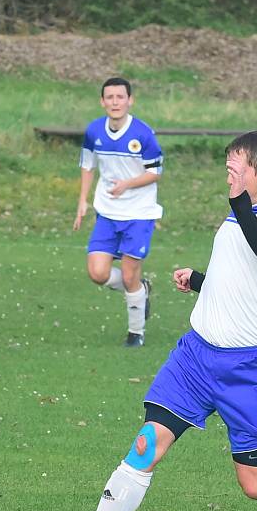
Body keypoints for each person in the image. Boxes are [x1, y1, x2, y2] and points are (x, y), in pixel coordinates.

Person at [49, 131, 257, 511]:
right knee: (147, 444)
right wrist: (201, 281)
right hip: (195, 357)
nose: (228, 177)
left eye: (234, 170)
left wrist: (240, 205)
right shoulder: (240, 211)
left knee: (255, 484)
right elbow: (242, 275)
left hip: (248, 367)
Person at [73, 77, 164, 347]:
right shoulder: (94, 131)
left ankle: (136, 333)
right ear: (102, 102)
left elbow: (155, 172)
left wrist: (127, 184)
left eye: (120, 97)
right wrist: (83, 200)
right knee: (97, 273)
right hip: (107, 212)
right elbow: (88, 165)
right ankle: (140, 289)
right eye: (109, 97)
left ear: (129, 100)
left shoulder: (143, 134)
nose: (115, 102)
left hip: (138, 213)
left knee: (127, 275)